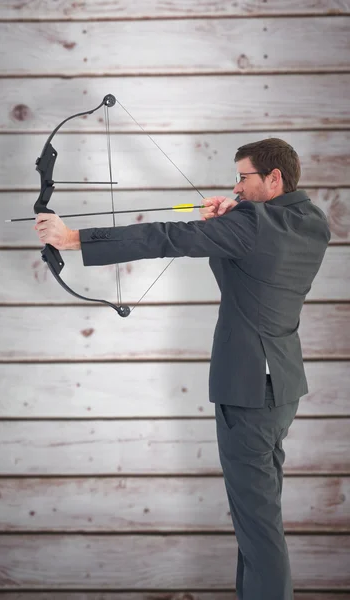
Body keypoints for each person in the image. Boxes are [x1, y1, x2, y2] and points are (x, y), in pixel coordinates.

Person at [34, 137, 331, 599]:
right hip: (282, 387)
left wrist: (74, 239)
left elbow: (167, 237)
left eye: (243, 177)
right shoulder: (311, 220)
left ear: (274, 178)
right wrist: (232, 218)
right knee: (257, 518)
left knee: (258, 527)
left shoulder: (253, 223)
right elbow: (252, 265)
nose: (235, 186)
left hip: (248, 389)